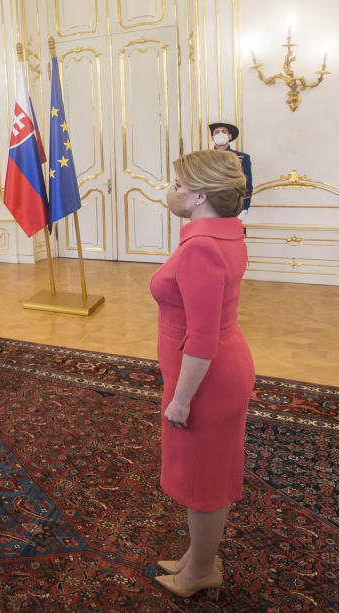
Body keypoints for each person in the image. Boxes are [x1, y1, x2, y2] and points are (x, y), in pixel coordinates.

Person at [149, 149, 254, 598]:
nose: (168, 191)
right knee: (208, 476)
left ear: (198, 197)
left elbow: (203, 338)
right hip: (213, 369)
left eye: (176, 185)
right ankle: (198, 556)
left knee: (201, 485)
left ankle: (201, 571)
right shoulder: (226, 234)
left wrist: (181, 399)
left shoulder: (202, 248)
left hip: (205, 380)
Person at [209, 120, 252, 213]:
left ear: (230, 136)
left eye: (224, 131)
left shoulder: (243, 157)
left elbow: (247, 185)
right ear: (212, 137)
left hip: (233, 205)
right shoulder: (205, 157)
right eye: (217, 132)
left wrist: (245, 208)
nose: (220, 134)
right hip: (210, 204)